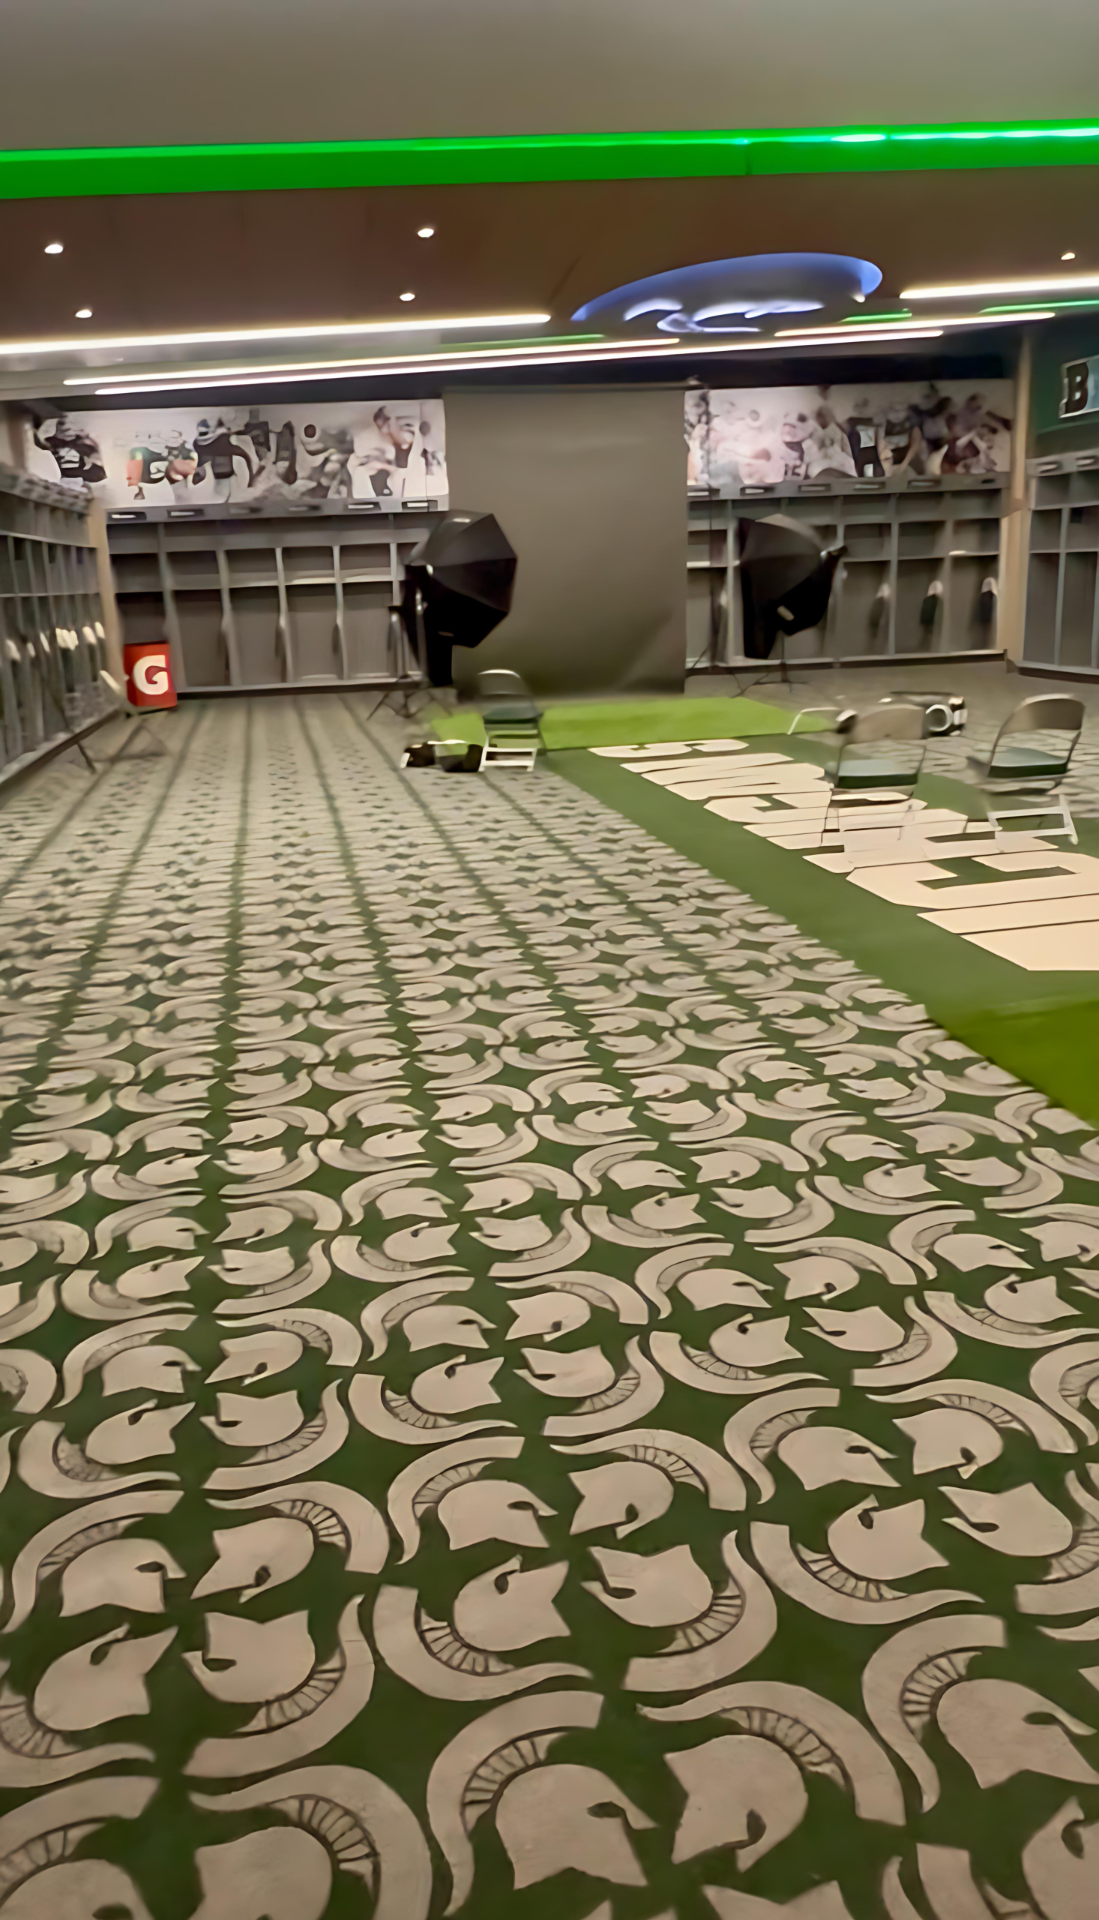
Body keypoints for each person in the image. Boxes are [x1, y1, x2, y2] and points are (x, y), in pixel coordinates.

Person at [32, 414, 107, 490]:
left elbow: (96, 458)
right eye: (62, 425)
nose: (68, 428)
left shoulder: (81, 444)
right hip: (59, 474)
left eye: (72, 425)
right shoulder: (51, 441)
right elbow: (40, 446)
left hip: (77, 474)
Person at [192, 418, 255, 501]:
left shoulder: (201, 446)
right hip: (222, 478)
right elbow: (202, 463)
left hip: (226, 478)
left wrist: (250, 480)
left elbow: (246, 458)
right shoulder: (201, 446)